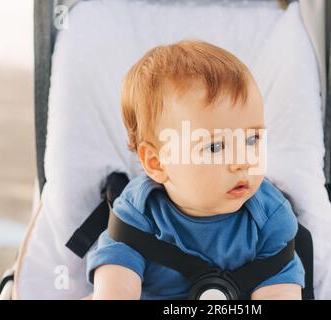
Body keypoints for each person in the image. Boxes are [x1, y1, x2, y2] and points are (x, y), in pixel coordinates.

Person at [87, 39, 304, 300]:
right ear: (157, 163)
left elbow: (280, 287)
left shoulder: (270, 216)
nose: (243, 161)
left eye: (251, 140)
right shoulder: (139, 211)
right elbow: (116, 277)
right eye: (215, 147)